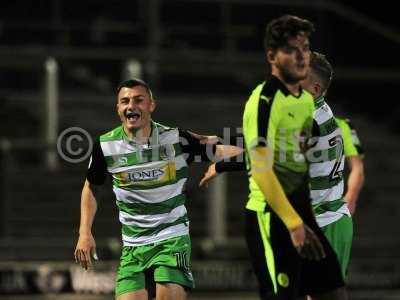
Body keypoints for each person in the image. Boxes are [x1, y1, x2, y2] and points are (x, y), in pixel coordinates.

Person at [200, 16, 347, 300]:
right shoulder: (265, 101)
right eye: (293, 50)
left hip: (306, 213)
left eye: (305, 47)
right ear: (273, 57)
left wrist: (222, 159)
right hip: (272, 216)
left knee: (333, 292)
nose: (301, 55)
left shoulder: (303, 104)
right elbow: (263, 162)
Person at [73, 78, 236, 300]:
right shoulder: (105, 146)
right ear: (118, 108)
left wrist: (232, 160)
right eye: (125, 101)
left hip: (172, 237)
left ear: (151, 106)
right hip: (133, 245)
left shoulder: (175, 140)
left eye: (139, 100)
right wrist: (84, 233)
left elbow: (227, 150)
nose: (131, 105)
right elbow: (91, 188)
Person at [301, 51, 365, 279]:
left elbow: (357, 167)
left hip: (326, 219)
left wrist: (351, 198)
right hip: (319, 218)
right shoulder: (325, 114)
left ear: (316, 88)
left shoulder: (332, 124)